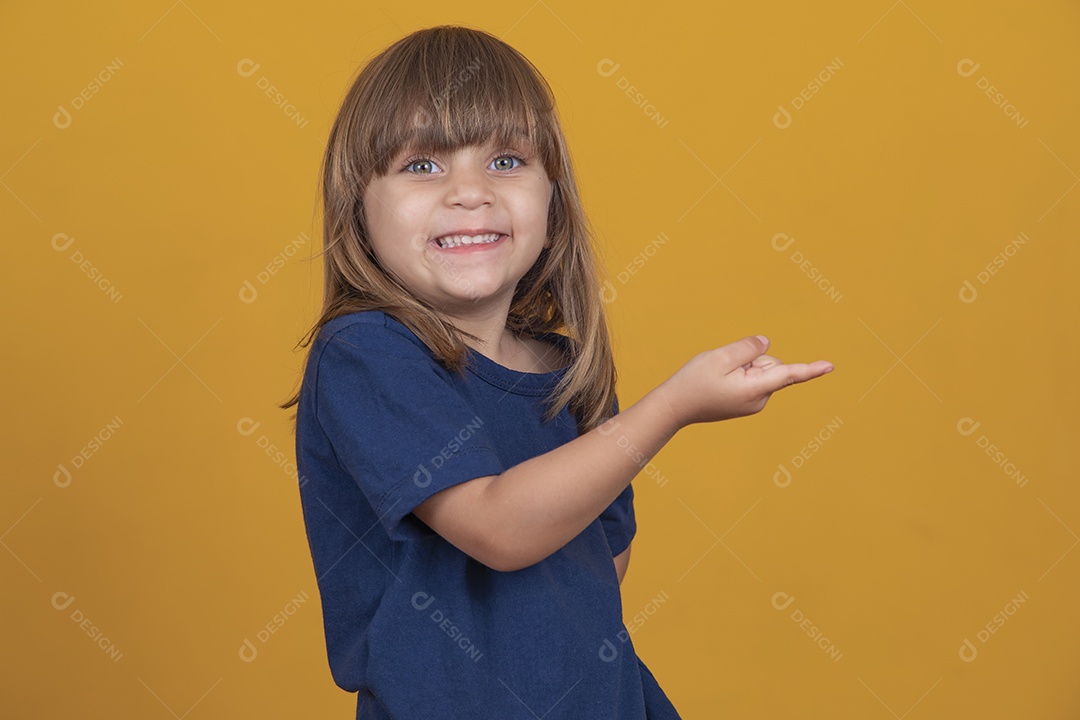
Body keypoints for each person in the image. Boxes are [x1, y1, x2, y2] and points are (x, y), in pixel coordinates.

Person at [282, 25, 834, 719]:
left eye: (507, 161)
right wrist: (672, 407)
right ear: (358, 205)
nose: (470, 192)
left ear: (553, 199)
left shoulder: (566, 368)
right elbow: (501, 530)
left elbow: (604, 565)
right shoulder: (367, 353)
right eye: (423, 166)